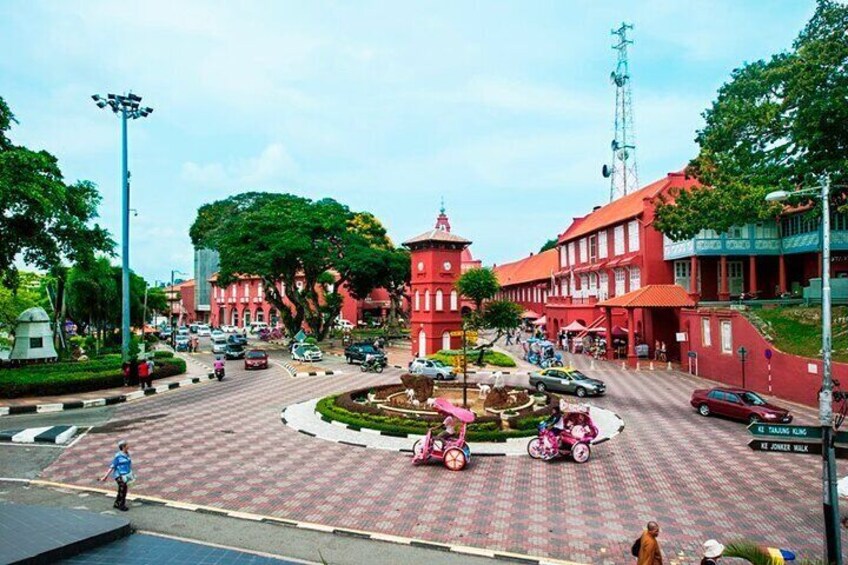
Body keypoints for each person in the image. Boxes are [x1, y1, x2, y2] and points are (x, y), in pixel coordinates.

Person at [100, 439, 133, 511]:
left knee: (123, 489)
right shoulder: (118, 456)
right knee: (123, 489)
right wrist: (105, 476)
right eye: (127, 444)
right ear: (123, 446)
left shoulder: (127, 454)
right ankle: (121, 505)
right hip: (119, 475)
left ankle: (117, 503)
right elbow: (112, 466)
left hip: (126, 474)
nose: (128, 445)